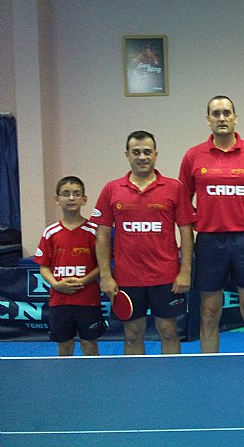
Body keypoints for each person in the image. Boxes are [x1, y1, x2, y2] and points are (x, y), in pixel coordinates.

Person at [179, 95, 244, 353]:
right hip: (209, 242)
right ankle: (210, 366)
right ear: (208, 119)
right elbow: (183, 201)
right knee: (209, 311)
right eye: (216, 114)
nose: (222, 118)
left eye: (227, 113)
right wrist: (201, 219)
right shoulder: (193, 156)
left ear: (235, 118)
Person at [92, 131, 195, 355]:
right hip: (127, 277)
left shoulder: (174, 188)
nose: (142, 157)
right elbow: (102, 236)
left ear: (155, 154)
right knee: (132, 334)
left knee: (169, 331)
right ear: (127, 155)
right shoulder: (111, 189)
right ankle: (136, 376)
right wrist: (106, 276)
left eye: (147, 152)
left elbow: (186, 232)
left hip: (166, 276)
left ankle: (171, 375)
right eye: (136, 152)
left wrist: (185, 271)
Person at [34, 176, 106, 356]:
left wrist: (83, 281)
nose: (71, 198)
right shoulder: (50, 232)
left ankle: (93, 375)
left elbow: (102, 265)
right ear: (57, 199)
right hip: (59, 302)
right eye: (66, 194)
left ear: (84, 199)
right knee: (64, 347)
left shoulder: (94, 231)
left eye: (76, 194)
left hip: (88, 300)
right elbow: (44, 267)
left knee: (90, 346)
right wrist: (56, 284)